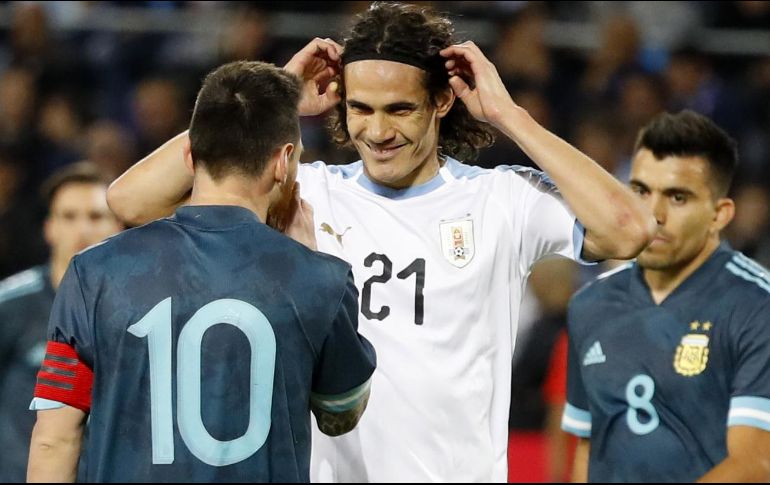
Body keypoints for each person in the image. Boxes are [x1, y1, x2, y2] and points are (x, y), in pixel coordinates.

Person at [106, 3, 655, 481]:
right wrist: (272, 101)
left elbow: (629, 229)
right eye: (361, 108)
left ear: (441, 103)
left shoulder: (501, 200)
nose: (377, 131)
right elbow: (133, 202)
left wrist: (510, 117)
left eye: (400, 110)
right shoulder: (306, 190)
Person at [26, 61, 376, 483]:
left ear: (190, 156)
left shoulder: (93, 272)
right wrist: (308, 265)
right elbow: (342, 414)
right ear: (284, 161)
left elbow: (54, 439)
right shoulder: (321, 280)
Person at [561, 110, 770, 482]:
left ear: (719, 215)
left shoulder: (757, 306)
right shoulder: (590, 305)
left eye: (677, 197)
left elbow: (756, 464)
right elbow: (589, 446)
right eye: (640, 191)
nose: (653, 213)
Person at [0, 161, 122, 483]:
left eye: (96, 216)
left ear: (119, 227)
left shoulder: (136, 311)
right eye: (69, 216)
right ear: (49, 227)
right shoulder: (9, 304)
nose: (83, 229)